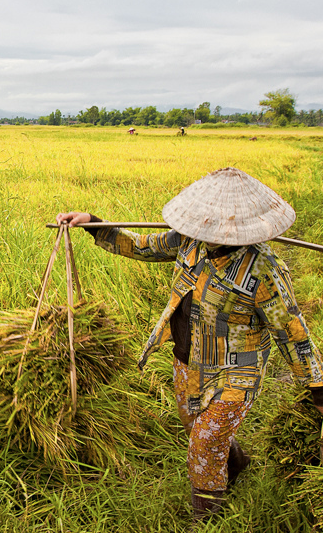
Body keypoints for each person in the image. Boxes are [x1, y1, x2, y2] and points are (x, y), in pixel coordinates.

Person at [57, 167, 323, 522]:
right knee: (197, 429)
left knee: (202, 445)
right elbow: (140, 246)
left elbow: (293, 332)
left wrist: (318, 389)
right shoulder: (189, 241)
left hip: (236, 374)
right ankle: (236, 464)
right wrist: (93, 222)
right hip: (188, 361)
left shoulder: (263, 271)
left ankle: (208, 517)